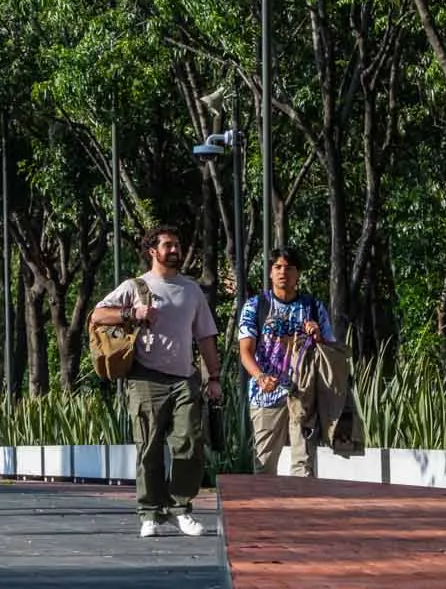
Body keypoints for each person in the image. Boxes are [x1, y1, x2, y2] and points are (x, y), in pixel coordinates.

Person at [89, 226, 223, 538]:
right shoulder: (135, 286)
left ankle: (181, 509)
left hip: (184, 378)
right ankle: (149, 512)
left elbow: (206, 337)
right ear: (153, 251)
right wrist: (132, 312)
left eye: (177, 245)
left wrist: (214, 377)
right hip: (145, 377)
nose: (175, 250)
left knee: (189, 443)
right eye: (167, 245)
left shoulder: (191, 290)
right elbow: (97, 315)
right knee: (148, 447)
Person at [238, 247, 334, 477]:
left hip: (304, 393)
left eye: (289, 268)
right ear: (270, 272)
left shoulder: (313, 307)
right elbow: (245, 352)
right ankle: (266, 502)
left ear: (298, 273)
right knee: (264, 463)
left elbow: (331, 350)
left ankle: (301, 501)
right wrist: (260, 377)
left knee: (304, 464)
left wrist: (318, 336)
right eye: (278, 267)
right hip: (266, 394)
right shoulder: (256, 306)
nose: (283, 272)